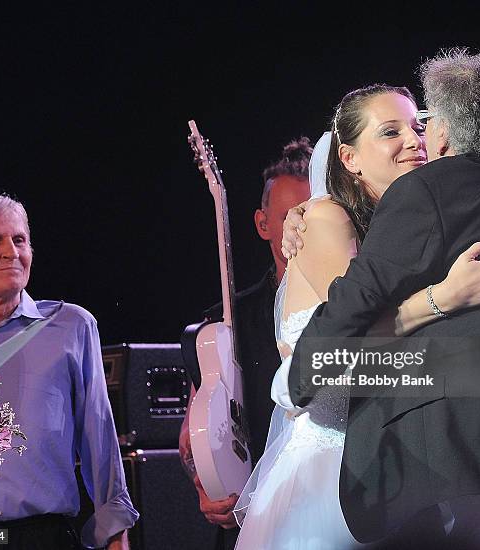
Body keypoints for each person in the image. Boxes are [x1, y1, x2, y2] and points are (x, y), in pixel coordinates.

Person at [233, 83, 480, 549]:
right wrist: (444, 298)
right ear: (348, 158)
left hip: (405, 461)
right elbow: (346, 338)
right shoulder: (328, 219)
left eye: (418, 126)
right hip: (337, 471)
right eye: (390, 131)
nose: (414, 140)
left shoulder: (411, 224)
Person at [0, 194, 139, 550]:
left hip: (44, 537)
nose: (11, 252)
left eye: (19, 240)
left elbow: (99, 436)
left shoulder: (70, 326)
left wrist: (115, 533)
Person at [179, 138, 312, 549]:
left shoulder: (358, 310)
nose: (300, 227)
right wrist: (206, 482)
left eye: (313, 213)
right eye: (289, 215)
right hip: (252, 523)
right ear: (262, 224)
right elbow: (194, 434)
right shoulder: (225, 323)